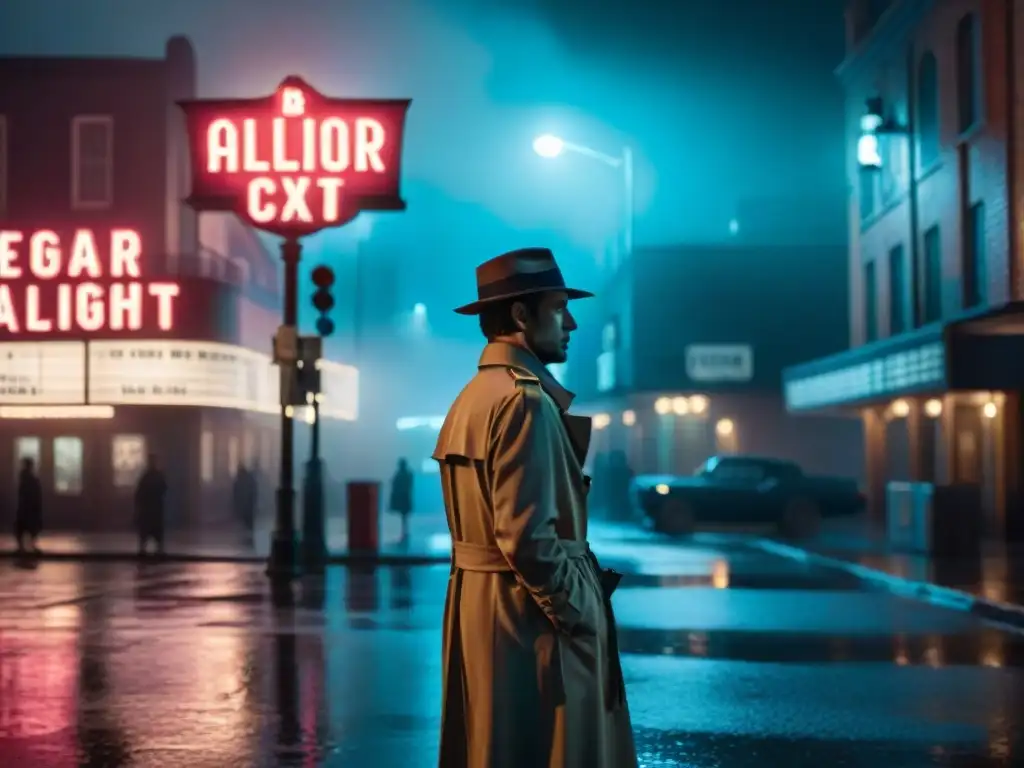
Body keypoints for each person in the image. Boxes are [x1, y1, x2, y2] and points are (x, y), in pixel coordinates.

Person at [433, 247, 636, 768]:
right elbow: (528, 539)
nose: (570, 322)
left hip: (484, 605)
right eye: (558, 308)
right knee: (556, 748)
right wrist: (580, 615)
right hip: (530, 619)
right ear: (521, 316)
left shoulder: (474, 395)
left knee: (493, 743)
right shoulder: (524, 401)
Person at [134, 453, 168, 556]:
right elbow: (164, 488)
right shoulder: (157, 475)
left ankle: (145, 549)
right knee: (155, 529)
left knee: (146, 529)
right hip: (155, 506)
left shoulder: (146, 476)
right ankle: (158, 549)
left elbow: (139, 492)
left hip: (148, 507)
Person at [14, 457, 43, 554]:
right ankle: (28, 546)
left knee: (23, 527)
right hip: (29, 506)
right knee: (30, 527)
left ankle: (22, 546)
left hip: (25, 506)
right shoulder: (29, 478)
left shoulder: (24, 477)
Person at [389, 457, 414, 543]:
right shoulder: (408, 474)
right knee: (404, 516)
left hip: (402, 497)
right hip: (405, 497)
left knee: (404, 516)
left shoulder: (399, 474)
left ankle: (404, 532)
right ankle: (404, 531)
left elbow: (394, 485)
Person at [232, 461, 258, 542]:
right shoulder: (249, 478)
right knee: (248, 520)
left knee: (246, 520)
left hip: (245, 504)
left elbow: (235, 492)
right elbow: (253, 491)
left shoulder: (239, 479)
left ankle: (247, 536)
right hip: (248, 504)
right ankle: (248, 536)